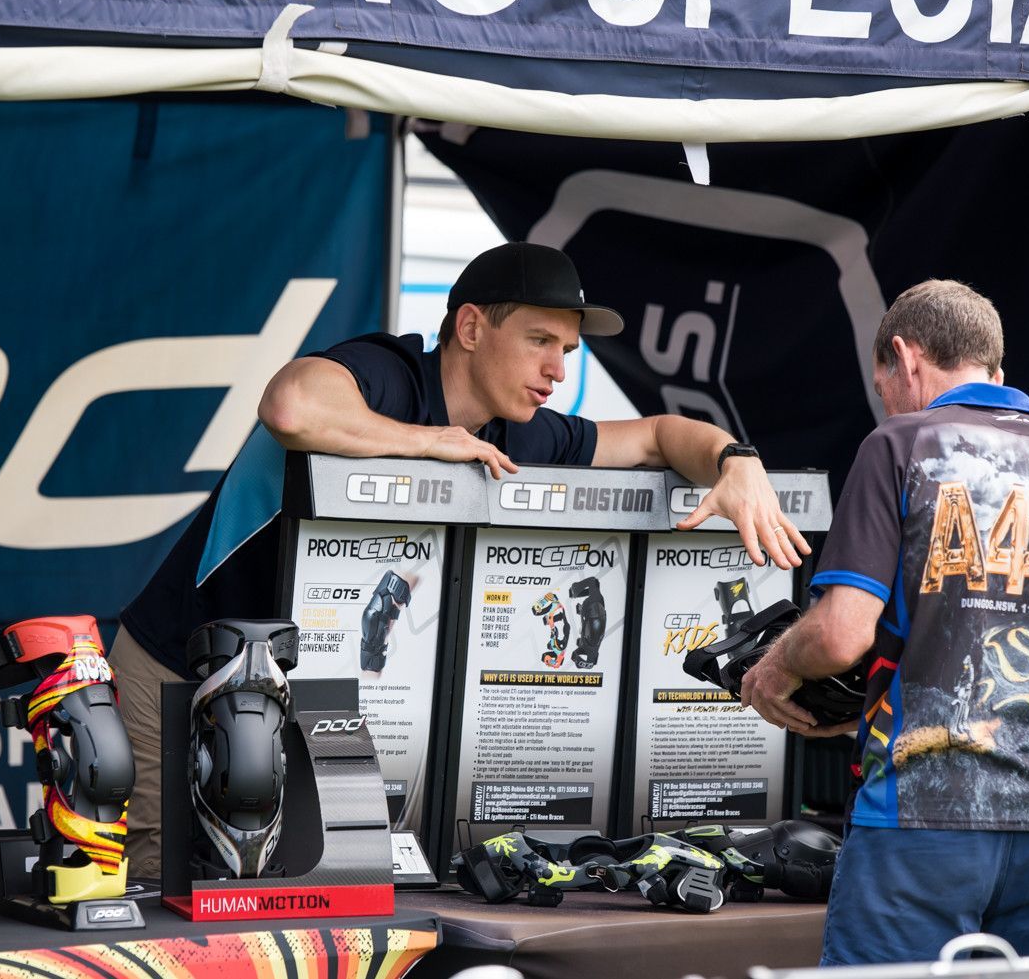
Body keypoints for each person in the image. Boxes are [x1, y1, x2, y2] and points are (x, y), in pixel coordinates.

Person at [112, 241, 812, 877]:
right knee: (158, 879)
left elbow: (657, 435)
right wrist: (430, 444)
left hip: (297, 699)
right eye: (540, 340)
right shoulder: (388, 374)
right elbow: (291, 407)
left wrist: (736, 460)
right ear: (471, 327)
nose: (556, 369)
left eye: (567, 350)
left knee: (280, 885)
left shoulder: (520, 433)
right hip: (179, 666)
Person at [742, 280, 1029, 965]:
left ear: (905, 356)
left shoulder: (901, 442)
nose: (887, 401)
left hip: (922, 814)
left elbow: (839, 635)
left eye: (883, 385)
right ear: (994, 370)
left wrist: (773, 668)